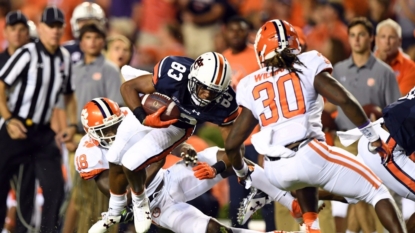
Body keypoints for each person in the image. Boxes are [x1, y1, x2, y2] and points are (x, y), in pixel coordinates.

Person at [223, 19, 406, 233]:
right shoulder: (308, 63)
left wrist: (242, 172)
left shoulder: (250, 82)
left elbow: (232, 144)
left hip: (275, 170)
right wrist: (372, 136)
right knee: (378, 191)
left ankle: (311, 226)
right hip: (308, 154)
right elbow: (344, 100)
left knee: (306, 180)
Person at [77, 97, 303, 233]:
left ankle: (291, 203)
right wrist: (158, 158)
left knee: (226, 157)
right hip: (154, 206)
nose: (115, 133)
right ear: (92, 134)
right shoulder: (89, 154)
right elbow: (123, 195)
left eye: (116, 125)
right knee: (213, 230)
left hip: (168, 179)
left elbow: (157, 141)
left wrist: (179, 148)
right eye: (106, 131)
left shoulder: (129, 116)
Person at [0, 6, 77, 232]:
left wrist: (72, 124)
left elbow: (69, 94)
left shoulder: (64, 57)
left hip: (43, 133)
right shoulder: (27, 53)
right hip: (18, 128)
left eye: (58, 26)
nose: (54, 31)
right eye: (50, 26)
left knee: (55, 187)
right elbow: (1, 85)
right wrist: (9, 119)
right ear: (41, 28)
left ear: (63, 29)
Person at [328, 17, 401, 233]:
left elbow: (393, 109)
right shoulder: (338, 70)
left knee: (376, 192)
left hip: (373, 142)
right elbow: (329, 107)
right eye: (352, 35)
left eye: (361, 34)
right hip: (344, 141)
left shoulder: (384, 72)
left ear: (371, 38)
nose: (356, 39)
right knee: (353, 194)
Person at [222, 16, 276, 230]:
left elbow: (268, 101)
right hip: (235, 141)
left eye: (240, 30)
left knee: (265, 198)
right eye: (232, 30)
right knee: (237, 201)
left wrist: (265, 143)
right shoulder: (222, 60)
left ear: (248, 34)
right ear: (225, 33)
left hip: (257, 140)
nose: (236, 34)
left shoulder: (257, 59)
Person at [337, 86, 415, 232]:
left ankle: (303, 195)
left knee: (353, 192)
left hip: (375, 135)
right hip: (385, 147)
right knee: (361, 192)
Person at [375, 18, 415, 96]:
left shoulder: (410, 67)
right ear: (376, 41)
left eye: (391, 37)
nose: (387, 42)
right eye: (383, 37)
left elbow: (399, 101)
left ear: (399, 41)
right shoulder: (365, 64)